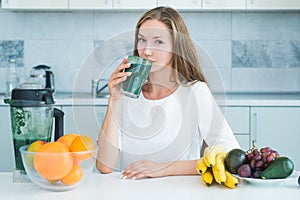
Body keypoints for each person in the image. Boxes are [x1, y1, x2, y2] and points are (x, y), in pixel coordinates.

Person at [96, 6, 240, 180]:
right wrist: (115, 99)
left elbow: (230, 155)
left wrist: (164, 168)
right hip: (131, 192)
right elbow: (105, 165)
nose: (147, 50)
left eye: (158, 42)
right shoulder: (126, 95)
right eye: (142, 40)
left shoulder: (195, 92)